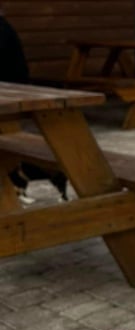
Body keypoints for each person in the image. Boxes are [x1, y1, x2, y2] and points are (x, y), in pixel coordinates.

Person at [0, 13, 69, 202]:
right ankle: (23, 180)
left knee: (10, 142)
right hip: (10, 96)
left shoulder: (3, 29)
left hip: (12, 97)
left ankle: (33, 176)